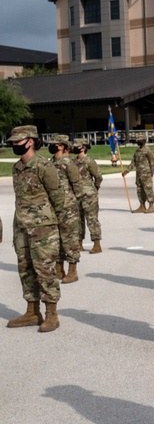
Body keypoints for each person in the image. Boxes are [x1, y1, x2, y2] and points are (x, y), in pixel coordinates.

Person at [7, 125, 65, 332]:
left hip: (43, 230)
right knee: (25, 270)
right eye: (13, 141)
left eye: (18, 141)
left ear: (30, 141)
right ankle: (32, 311)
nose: (14, 144)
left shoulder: (44, 166)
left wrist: (60, 232)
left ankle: (52, 314)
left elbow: (59, 200)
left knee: (45, 271)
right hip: (22, 228)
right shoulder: (17, 168)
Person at [50, 135, 84, 283]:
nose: (51, 146)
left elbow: (78, 186)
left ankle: (72, 271)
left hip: (68, 207)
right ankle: (58, 269)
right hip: (53, 207)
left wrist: (73, 204)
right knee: (56, 240)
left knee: (69, 240)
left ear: (62, 146)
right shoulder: (50, 163)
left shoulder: (69, 163)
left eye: (55, 144)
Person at [72, 138, 103, 254]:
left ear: (84, 148)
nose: (75, 148)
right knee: (78, 220)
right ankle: (79, 243)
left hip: (89, 195)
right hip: (76, 195)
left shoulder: (89, 161)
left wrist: (95, 188)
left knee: (92, 219)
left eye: (77, 146)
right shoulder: (73, 162)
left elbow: (98, 177)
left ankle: (97, 244)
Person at [123, 137, 154, 213]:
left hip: (146, 174)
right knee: (139, 190)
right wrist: (126, 171)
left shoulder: (147, 150)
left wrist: (151, 173)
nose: (138, 141)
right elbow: (133, 163)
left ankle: (151, 206)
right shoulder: (137, 151)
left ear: (144, 141)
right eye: (137, 140)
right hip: (138, 174)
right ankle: (142, 206)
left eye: (140, 140)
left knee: (148, 189)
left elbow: (152, 162)